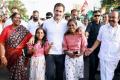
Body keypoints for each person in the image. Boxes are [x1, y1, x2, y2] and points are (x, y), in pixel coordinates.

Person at [85, 11, 120, 80]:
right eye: (110, 17)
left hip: (114, 58)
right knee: (103, 76)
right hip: (103, 57)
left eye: (113, 17)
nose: (111, 19)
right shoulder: (103, 28)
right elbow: (98, 40)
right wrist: (91, 49)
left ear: (118, 18)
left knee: (109, 75)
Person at [0, 13, 32, 80]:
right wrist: (2, 56)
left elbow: (31, 36)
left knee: (19, 74)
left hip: (20, 56)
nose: (18, 19)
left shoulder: (23, 29)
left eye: (19, 18)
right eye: (16, 17)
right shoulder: (6, 29)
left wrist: (32, 38)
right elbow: (1, 43)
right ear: (12, 19)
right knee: (13, 74)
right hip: (9, 56)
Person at [42, 3, 67, 80]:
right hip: (50, 53)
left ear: (63, 12)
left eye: (60, 11)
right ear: (53, 11)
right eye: (56, 10)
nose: (58, 13)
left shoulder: (66, 23)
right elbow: (41, 34)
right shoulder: (46, 22)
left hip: (62, 53)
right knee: (50, 75)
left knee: (60, 75)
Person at [85, 10, 102, 80]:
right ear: (93, 16)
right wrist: (86, 35)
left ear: (100, 16)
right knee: (92, 64)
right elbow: (86, 32)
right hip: (91, 48)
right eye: (95, 16)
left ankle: (93, 77)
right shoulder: (90, 24)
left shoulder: (102, 25)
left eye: (98, 15)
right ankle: (91, 78)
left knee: (96, 65)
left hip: (99, 48)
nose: (97, 17)